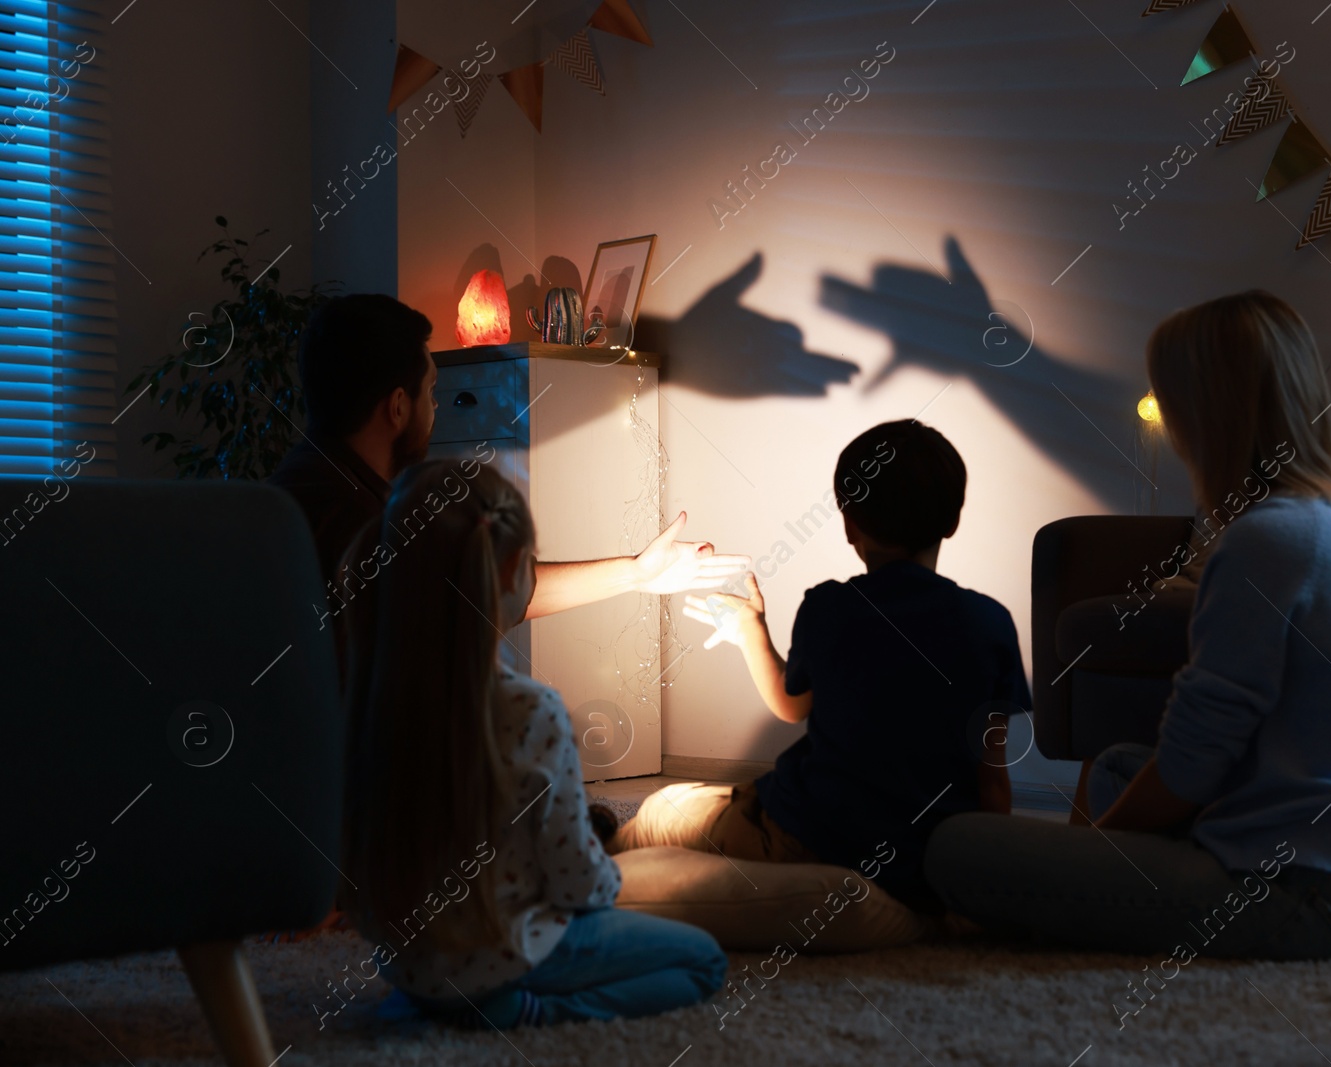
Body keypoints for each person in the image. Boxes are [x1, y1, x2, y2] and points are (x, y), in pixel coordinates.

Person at [924, 291, 1331, 964]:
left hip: (1304, 888)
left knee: (954, 845)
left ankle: (1058, 907)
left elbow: (1192, 765)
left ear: (1206, 411)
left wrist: (1084, 855)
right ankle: (1073, 897)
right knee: (1113, 769)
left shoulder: (1266, 540)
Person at [339, 460, 726, 1028]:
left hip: (409, 972)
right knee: (703, 961)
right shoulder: (530, 710)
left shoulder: (367, 701)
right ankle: (527, 1012)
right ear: (520, 570)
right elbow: (579, 885)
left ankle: (452, 1003)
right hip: (508, 960)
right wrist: (616, 874)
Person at [611, 420, 1030, 911]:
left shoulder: (830, 608)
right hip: (924, 852)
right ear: (952, 521)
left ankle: (592, 865)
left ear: (850, 522)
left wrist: (751, 633)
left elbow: (792, 707)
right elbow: (992, 780)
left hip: (806, 836)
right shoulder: (990, 622)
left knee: (664, 811)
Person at [267, 293, 745, 618]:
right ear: (396, 407)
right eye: (431, 392)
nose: (435, 409)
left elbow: (488, 588)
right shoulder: (363, 525)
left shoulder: (289, 496)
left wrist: (637, 572)